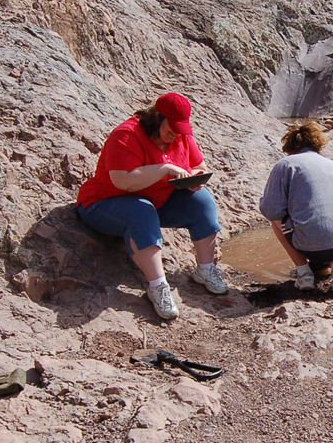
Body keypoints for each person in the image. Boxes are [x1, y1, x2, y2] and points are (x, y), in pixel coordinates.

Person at [77, 92, 227, 320]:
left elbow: (199, 165)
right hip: (103, 203)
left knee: (202, 201)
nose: (175, 133)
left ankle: (205, 270)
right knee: (141, 210)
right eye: (171, 127)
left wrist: (193, 178)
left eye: (180, 128)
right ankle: (158, 286)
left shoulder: (180, 135)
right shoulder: (126, 135)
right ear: (157, 116)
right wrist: (164, 169)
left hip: (157, 200)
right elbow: (123, 181)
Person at [259, 121, 333, 291]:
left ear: (289, 149)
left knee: (277, 219)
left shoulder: (286, 164)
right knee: (331, 214)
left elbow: (270, 210)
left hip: (316, 243)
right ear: (317, 147)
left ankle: (304, 274)